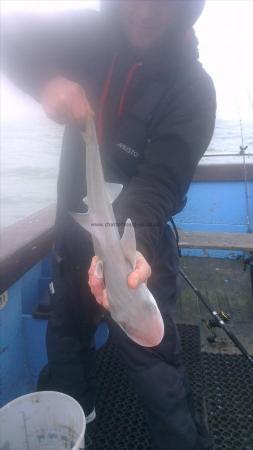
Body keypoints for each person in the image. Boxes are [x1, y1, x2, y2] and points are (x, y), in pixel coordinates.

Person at [2, 1, 216, 449]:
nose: (146, 9)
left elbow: (161, 183)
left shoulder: (194, 89)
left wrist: (125, 241)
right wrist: (46, 81)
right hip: (73, 239)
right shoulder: (86, 38)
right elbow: (10, 31)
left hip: (137, 250)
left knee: (155, 360)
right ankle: (81, 427)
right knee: (65, 341)